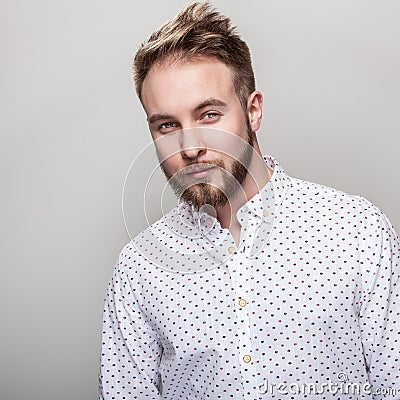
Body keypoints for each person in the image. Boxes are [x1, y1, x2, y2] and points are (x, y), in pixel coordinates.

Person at [99, 2, 400, 399]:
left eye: (208, 114)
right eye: (168, 125)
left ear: (253, 110)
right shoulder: (139, 268)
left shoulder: (356, 229)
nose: (189, 147)